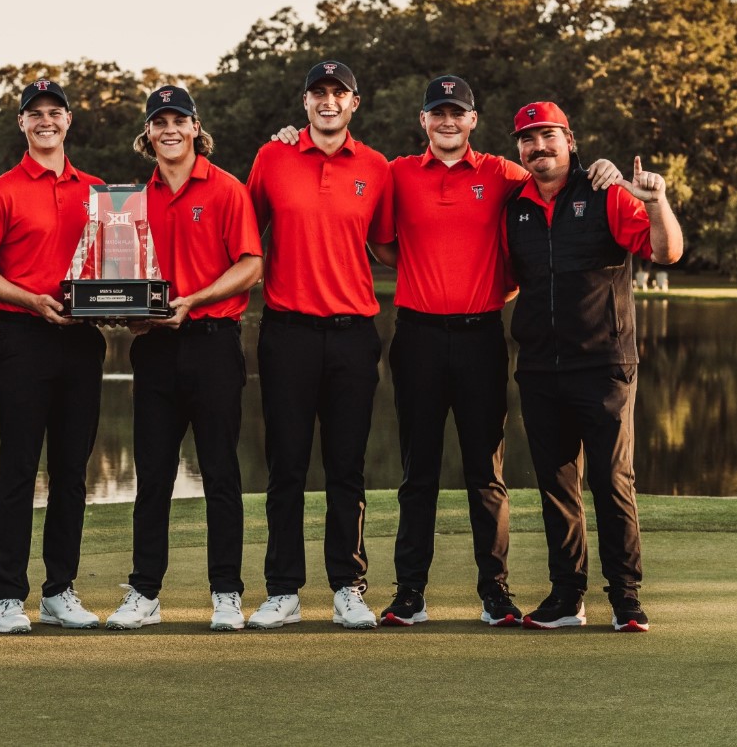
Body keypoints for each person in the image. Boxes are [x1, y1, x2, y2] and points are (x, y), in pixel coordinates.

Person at [362, 76, 620, 627]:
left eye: (458, 112)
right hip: (418, 336)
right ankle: (410, 593)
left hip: (481, 336)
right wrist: (421, 271)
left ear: (473, 120)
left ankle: (495, 593)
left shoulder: (505, 173)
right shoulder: (398, 172)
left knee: (486, 472)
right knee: (418, 471)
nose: (448, 121)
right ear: (424, 120)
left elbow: (557, 180)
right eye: (438, 113)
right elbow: (382, 242)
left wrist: (607, 169)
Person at [504, 101, 682, 632]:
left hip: (604, 364)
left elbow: (665, 252)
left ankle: (625, 598)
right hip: (538, 368)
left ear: (570, 139)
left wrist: (656, 201)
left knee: (611, 481)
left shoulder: (608, 194)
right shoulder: (515, 206)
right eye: (529, 139)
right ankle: (566, 597)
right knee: (557, 488)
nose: (539, 147)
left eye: (549, 136)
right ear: (519, 149)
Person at [102, 86, 262, 632]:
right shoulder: (128, 202)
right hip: (153, 347)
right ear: (147, 134)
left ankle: (226, 592)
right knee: (152, 476)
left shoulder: (226, 188)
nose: (169, 129)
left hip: (213, 342)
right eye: (158, 121)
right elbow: (119, 278)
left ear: (196, 127)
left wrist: (194, 300)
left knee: (220, 473)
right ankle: (145, 591)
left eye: (179, 120)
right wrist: (121, 310)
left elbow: (250, 265)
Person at [244, 60, 394, 630]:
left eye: (339, 94)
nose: (328, 102)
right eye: (318, 94)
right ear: (304, 102)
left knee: (346, 467)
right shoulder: (272, 157)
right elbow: (241, 235)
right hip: (287, 332)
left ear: (355, 102)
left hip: (353, 333)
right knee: (285, 466)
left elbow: (386, 247)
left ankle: (348, 586)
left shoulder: (376, 167)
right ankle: (282, 589)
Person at [0, 79, 107, 633]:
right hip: (24, 337)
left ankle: (59, 591)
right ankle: (8, 596)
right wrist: (31, 300)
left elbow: (118, 267)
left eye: (55, 112)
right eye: (34, 114)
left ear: (69, 121)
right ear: (21, 123)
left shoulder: (99, 192)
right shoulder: (1, 191)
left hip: (83, 339)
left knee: (71, 473)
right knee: (19, 468)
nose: (45, 121)